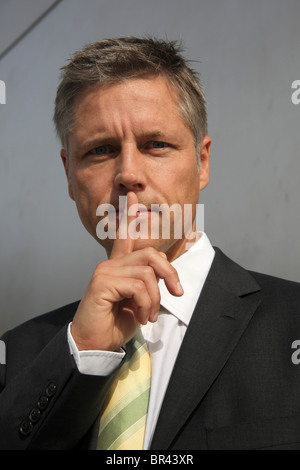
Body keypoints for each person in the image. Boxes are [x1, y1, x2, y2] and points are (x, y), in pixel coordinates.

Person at [1, 36, 300, 451]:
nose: (128, 173)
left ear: (203, 162)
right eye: (101, 150)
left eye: (155, 144)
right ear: (69, 175)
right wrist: (82, 352)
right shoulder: (17, 353)